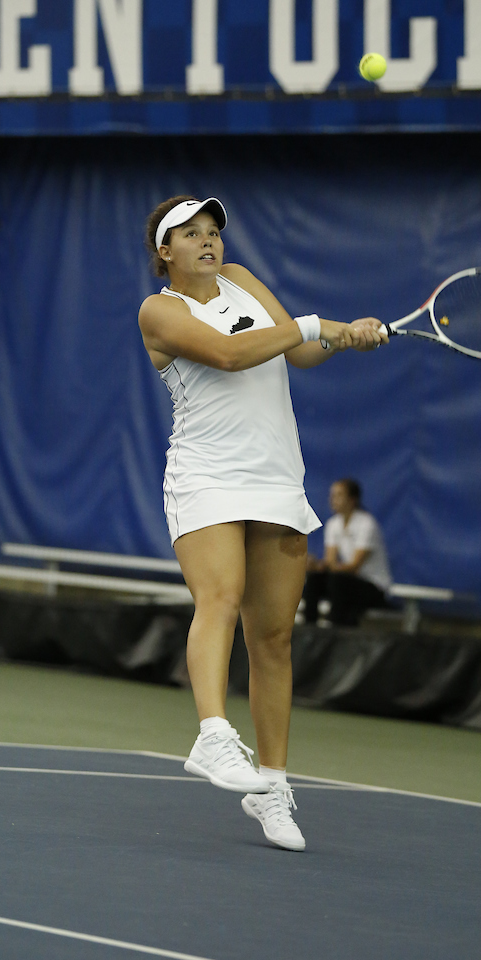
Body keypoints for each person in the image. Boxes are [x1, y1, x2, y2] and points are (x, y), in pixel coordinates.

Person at [137, 195, 387, 852]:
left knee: (273, 639)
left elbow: (299, 356)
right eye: (190, 234)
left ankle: (271, 787)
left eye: (213, 230)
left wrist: (342, 335)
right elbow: (229, 355)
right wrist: (315, 323)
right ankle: (214, 735)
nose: (208, 241)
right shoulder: (160, 310)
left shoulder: (242, 280)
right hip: (207, 476)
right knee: (218, 598)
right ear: (165, 251)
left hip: (276, 477)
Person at [302, 478, 392, 627]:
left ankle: (335, 630)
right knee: (314, 580)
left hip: (373, 587)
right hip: (345, 583)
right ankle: (308, 629)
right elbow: (330, 562)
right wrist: (316, 566)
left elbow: (354, 566)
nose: (332, 499)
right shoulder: (333, 524)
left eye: (338, 495)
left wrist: (327, 567)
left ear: (352, 499)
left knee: (337, 581)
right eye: (332, 495)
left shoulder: (367, 524)